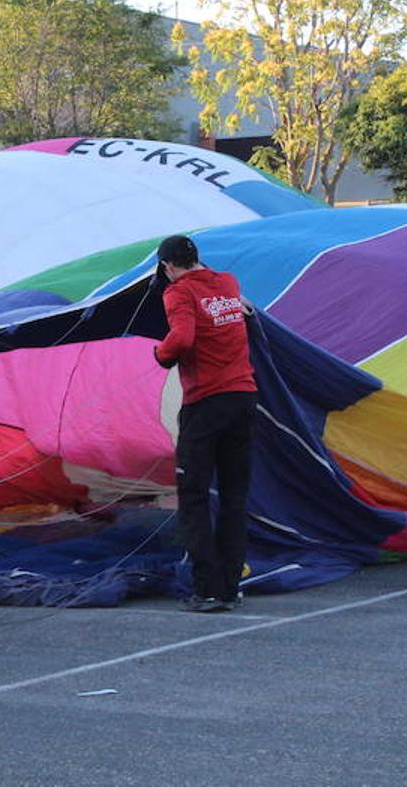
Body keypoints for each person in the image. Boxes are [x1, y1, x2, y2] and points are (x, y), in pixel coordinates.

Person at [152, 234, 258, 613]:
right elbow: (238, 306)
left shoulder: (178, 292)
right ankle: (230, 585)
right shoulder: (228, 282)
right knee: (233, 495)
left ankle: (207, 588)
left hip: (205, 403)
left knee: (194, 495)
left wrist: (160, 355)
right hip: (243, 398)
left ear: (168, 267)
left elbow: (182, 337)